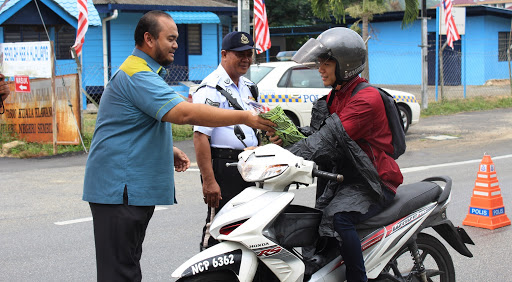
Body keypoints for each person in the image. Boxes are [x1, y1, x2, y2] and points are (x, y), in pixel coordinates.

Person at [82, 11, 274, 282]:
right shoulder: (137, 74)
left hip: (128, 190)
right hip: (119, 189)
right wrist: (245, 116)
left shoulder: (146, 72)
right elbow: (184, 114)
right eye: (170, 38)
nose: (176, 45)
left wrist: (165, 150)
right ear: (149, 39)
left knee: (126, 266)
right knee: (120, 273)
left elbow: (128, 125)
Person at [269, 27, 403, 282]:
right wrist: (284, 139)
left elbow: (328, 138)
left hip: (373, 181)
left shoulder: (366, 99)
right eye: (320, 62)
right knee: (314, 221)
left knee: (338, 219)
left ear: (346, 65)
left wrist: (285, 159)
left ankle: (357, 277)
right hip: (345, 178)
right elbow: (316, 133)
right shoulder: (334, 97)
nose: (320, 68)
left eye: (326, 62)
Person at [192, 31, 260, 251]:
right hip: (224, 166)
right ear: (224, 54)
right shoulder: (211, 88)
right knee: (218, 228)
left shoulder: (250, 87)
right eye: (240, 54)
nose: (246, 59)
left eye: (249, 54)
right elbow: (201, 136)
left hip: (250, 165)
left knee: (247, 226)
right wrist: (208, 180)